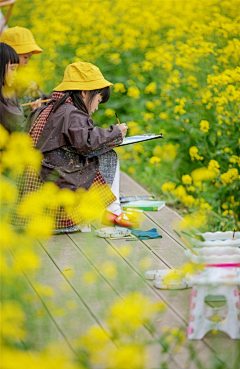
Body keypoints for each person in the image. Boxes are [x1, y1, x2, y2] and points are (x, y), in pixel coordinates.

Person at [18, 61, 139, 232]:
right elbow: (89, 143)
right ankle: (113, 212)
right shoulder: (71, 112)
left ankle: (109, 211)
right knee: (107, 154)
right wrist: (116, 133)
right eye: (97, 100)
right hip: (57, 205)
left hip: (36, 197)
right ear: (84, 93)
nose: (96, 107)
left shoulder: (49, 108)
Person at [0, 26, 44, 110]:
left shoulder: (24, 78)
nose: (27, 62)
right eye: (25, 57)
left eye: (29, 58)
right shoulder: (6, 82)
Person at [0, 42, 25, 132]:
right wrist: (35, 113)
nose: (15, 74)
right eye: (13, 69)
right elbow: (19, 128)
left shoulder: (8, 92)